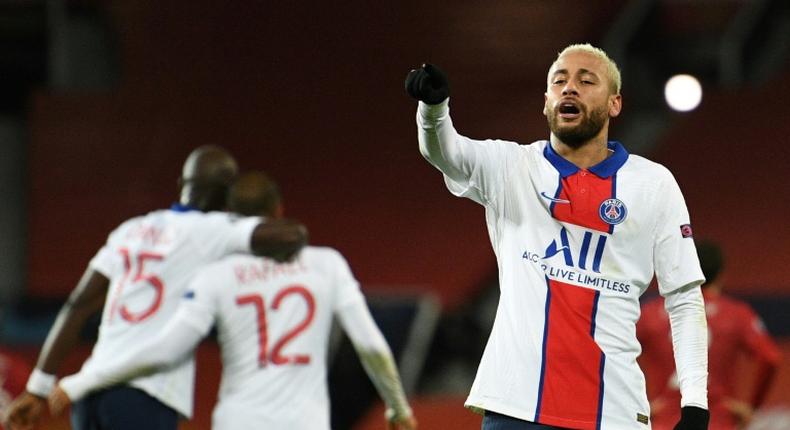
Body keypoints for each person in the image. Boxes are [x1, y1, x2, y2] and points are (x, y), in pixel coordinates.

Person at [405, 44, 709, 429]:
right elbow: (445, 152)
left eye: (586, 80)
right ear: (546, 103)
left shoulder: (653, 185)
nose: (570, 88)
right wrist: (433, 111)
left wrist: (695, 402)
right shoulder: (511, 168)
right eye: (559, 81)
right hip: (516, 407)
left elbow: (683, 297)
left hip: (614, 412)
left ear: (615, 104)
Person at [47, 171, 418, 430]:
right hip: (304, 422)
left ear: (231, 219)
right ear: (279, 212)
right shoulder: (327, 264)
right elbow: (371, 346)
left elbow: (164, 349)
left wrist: (80, 382)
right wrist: (397, 407)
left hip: (238, 420)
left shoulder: (216, 276)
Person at [4, 146, 308, 430]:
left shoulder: (130, 230)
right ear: (226, 193)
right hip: (144, 392)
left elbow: (78, 305)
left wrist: (37, 389)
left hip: (90, 397)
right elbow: (291, 236)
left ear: (181, 183)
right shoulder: (215, 229)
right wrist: (244, 211)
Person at [638, 241, 781, 430]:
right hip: (718, 420)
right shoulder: (736, 314)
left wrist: (639, 405)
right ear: (721, 275)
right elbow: (771, 358)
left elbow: (612, 355)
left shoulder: (650, 313)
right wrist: (751, 406)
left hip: (663, 421)